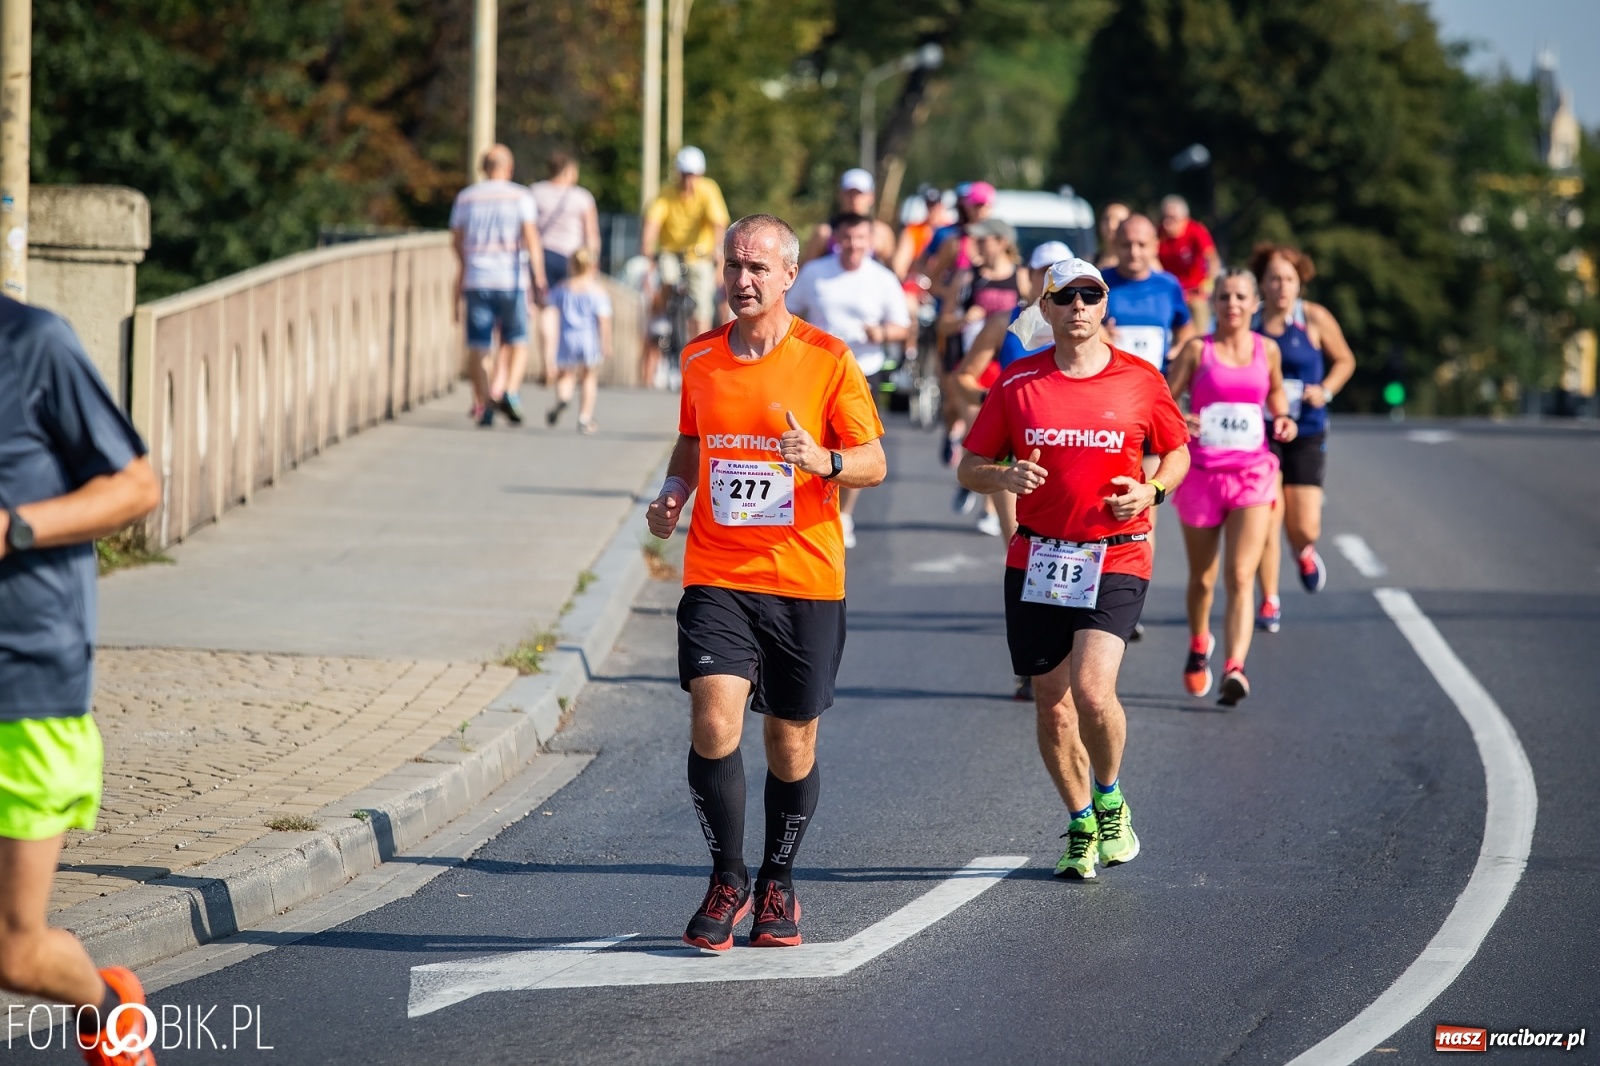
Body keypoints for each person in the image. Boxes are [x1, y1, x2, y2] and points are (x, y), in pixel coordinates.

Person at [645, 214, 886, 951]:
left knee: (791, 741)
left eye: (757, 267)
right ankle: (728, 877)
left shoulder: (828, 359)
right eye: (733, 265)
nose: (742, 279)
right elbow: (693, 439)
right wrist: (675, 491)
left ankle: (778, 880)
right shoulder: (700, 357)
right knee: (713, 720)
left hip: (805, 578)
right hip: (718, 571)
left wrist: (824, 461)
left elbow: (874, 461)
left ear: (789, 276)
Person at [957, 258, 1190, 880]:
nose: (1079, 306)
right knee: (1052, 705)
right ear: (1047, 307)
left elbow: (1176, 451)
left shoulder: (1140, 379)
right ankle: (1081, 820)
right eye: (1066, 297)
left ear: (1105, 304)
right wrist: (1003, 475)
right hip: (1039, 556)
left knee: (1091, 691)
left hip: (1118, 552)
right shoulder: (1017, 382)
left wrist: (1152, 491)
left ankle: (1110, 798)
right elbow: (970, 466)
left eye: (1091, 295)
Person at [0, 297, 163, 1065]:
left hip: (27, 687)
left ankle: (109, 1010)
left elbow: (135, 486)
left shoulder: (33, 344)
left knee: (13, 952)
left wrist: (16, 527)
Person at [1165, 269, 1296, 707]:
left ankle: (1234, 667)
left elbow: (1275, 393)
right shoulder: (1197, 350)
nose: (1232, 304)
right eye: (1224, 297)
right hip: (1202, 475)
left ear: (1256, 304)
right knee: (1203, 578)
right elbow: (1164, 400)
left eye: (1241, 297)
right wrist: (1180, 419)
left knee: (1241, 574)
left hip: (1252, 475)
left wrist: (1283, 417)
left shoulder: (1267, 350)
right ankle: (1199, 642)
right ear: (1214, 303)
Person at [1249, 244, 1356, 631]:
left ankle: (1304, 550)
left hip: (1307, 428)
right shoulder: (1250, 321)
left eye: (1289, 279)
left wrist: (1324, 390)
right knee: (1266, 515)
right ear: (1262, 283)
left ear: (1300, 283)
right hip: (1262, 430)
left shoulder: (1313, 318)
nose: (1282, 286)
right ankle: (1269, 599)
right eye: (1274, 278)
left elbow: (1345, 360)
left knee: (1304, 525)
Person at [786, 213, 910, 548]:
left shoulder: (882, 278)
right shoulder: (815, 273)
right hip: (814, 370)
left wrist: (880, 332)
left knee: (855, 444)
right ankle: (808, 506)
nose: (854, 244)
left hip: (863, 369)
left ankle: (844, 514)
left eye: (861, 238)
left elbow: (902, 327)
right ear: (837, 239)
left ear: (870, 241)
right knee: (812, 438)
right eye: (848, 237)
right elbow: (789, 311)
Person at [451, 144, 547, 427]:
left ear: (483, 168)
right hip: (511, 279)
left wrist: (467, 262)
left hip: (477, 278)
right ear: (509, 168)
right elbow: (531, 238)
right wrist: (539, 276)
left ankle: (485, 402)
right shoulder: (521, 196)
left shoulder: (466, 197)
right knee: (517, 339)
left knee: (479, 344)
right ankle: (510, 391)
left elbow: (456, 240)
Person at [941, 218, 1025, 535]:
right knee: (978, 429)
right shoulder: (967, 276)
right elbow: (943, 323)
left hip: (1003, 368)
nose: (977, 244)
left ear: (1002, 241)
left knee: (1000, 437)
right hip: (972, 365)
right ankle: (972, 475)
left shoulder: (1021, 277)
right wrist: (964, 318)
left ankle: (989, 508)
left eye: (984, 239)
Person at [641, 145, 731, 346]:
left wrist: (717, 250)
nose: (688, 180)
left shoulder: (708, 190)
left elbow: (718, 223)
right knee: (667, 277)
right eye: (684, 175)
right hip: (671, 252)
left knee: (702, 304)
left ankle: (702, 345)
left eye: (693, 175)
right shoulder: (667, 192)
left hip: (699, 255)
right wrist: (647, 246)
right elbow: (653, 221)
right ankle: (661, 316)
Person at [529, 151, 601, 383]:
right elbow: (591, 233)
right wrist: (592, 263)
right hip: (573, 258)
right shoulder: (581, 197)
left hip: (543, 256)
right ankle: (567, 363)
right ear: (569, 171)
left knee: (547, 309)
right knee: (569, 311)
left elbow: (527, 229)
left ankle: (549, 363)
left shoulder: (535, 192)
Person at [544, 248, 613, 434]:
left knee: (566, 374)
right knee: (589, 376)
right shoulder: (597, 291)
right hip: (588, 338)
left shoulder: (563, 288)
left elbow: (549, 306)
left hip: (567, 337)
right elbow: (603, 321)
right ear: (592, 266)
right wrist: (606, 343)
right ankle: (584, 417)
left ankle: (563, 399)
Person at [802, 168, 898, 268]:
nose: (854, 199)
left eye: (859, 194)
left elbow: (893, 272)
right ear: (840, 195)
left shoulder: (881, 233)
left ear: (871, 197)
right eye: (850, 193)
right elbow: (805, 270)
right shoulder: (824, 233)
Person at [1158, 195, 1222, 334]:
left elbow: (1212, 259)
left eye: (1172, 218)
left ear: (1184, 218)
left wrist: (1208, 283)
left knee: (1199, 325)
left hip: (1195, 293)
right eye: (1165, 218)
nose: (1167, 223)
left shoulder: (1195, 230)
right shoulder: (1159, 235)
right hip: (1170, 293)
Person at [1093, 201, 1131, 270]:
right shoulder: (1088, 264)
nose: (1111, 226)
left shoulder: (1140, 266)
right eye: (1106, 219)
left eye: (1119, 221)